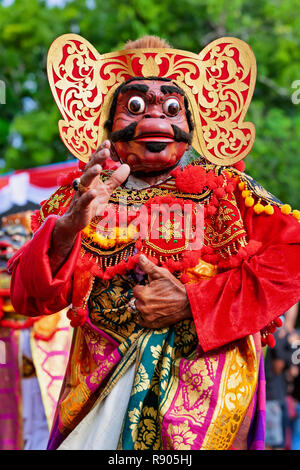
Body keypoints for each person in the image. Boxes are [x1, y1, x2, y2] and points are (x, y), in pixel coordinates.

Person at [8, 34, 300, 450]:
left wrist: (193, 303)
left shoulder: (228, 191)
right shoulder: (81, 194)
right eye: (135, 107)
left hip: (205, 406)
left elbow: (293, 258)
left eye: (171, 108)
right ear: (108, 125)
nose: (154, 121)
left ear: (193, 124)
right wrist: (70, 224)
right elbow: (27, 296)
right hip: (97, 400)